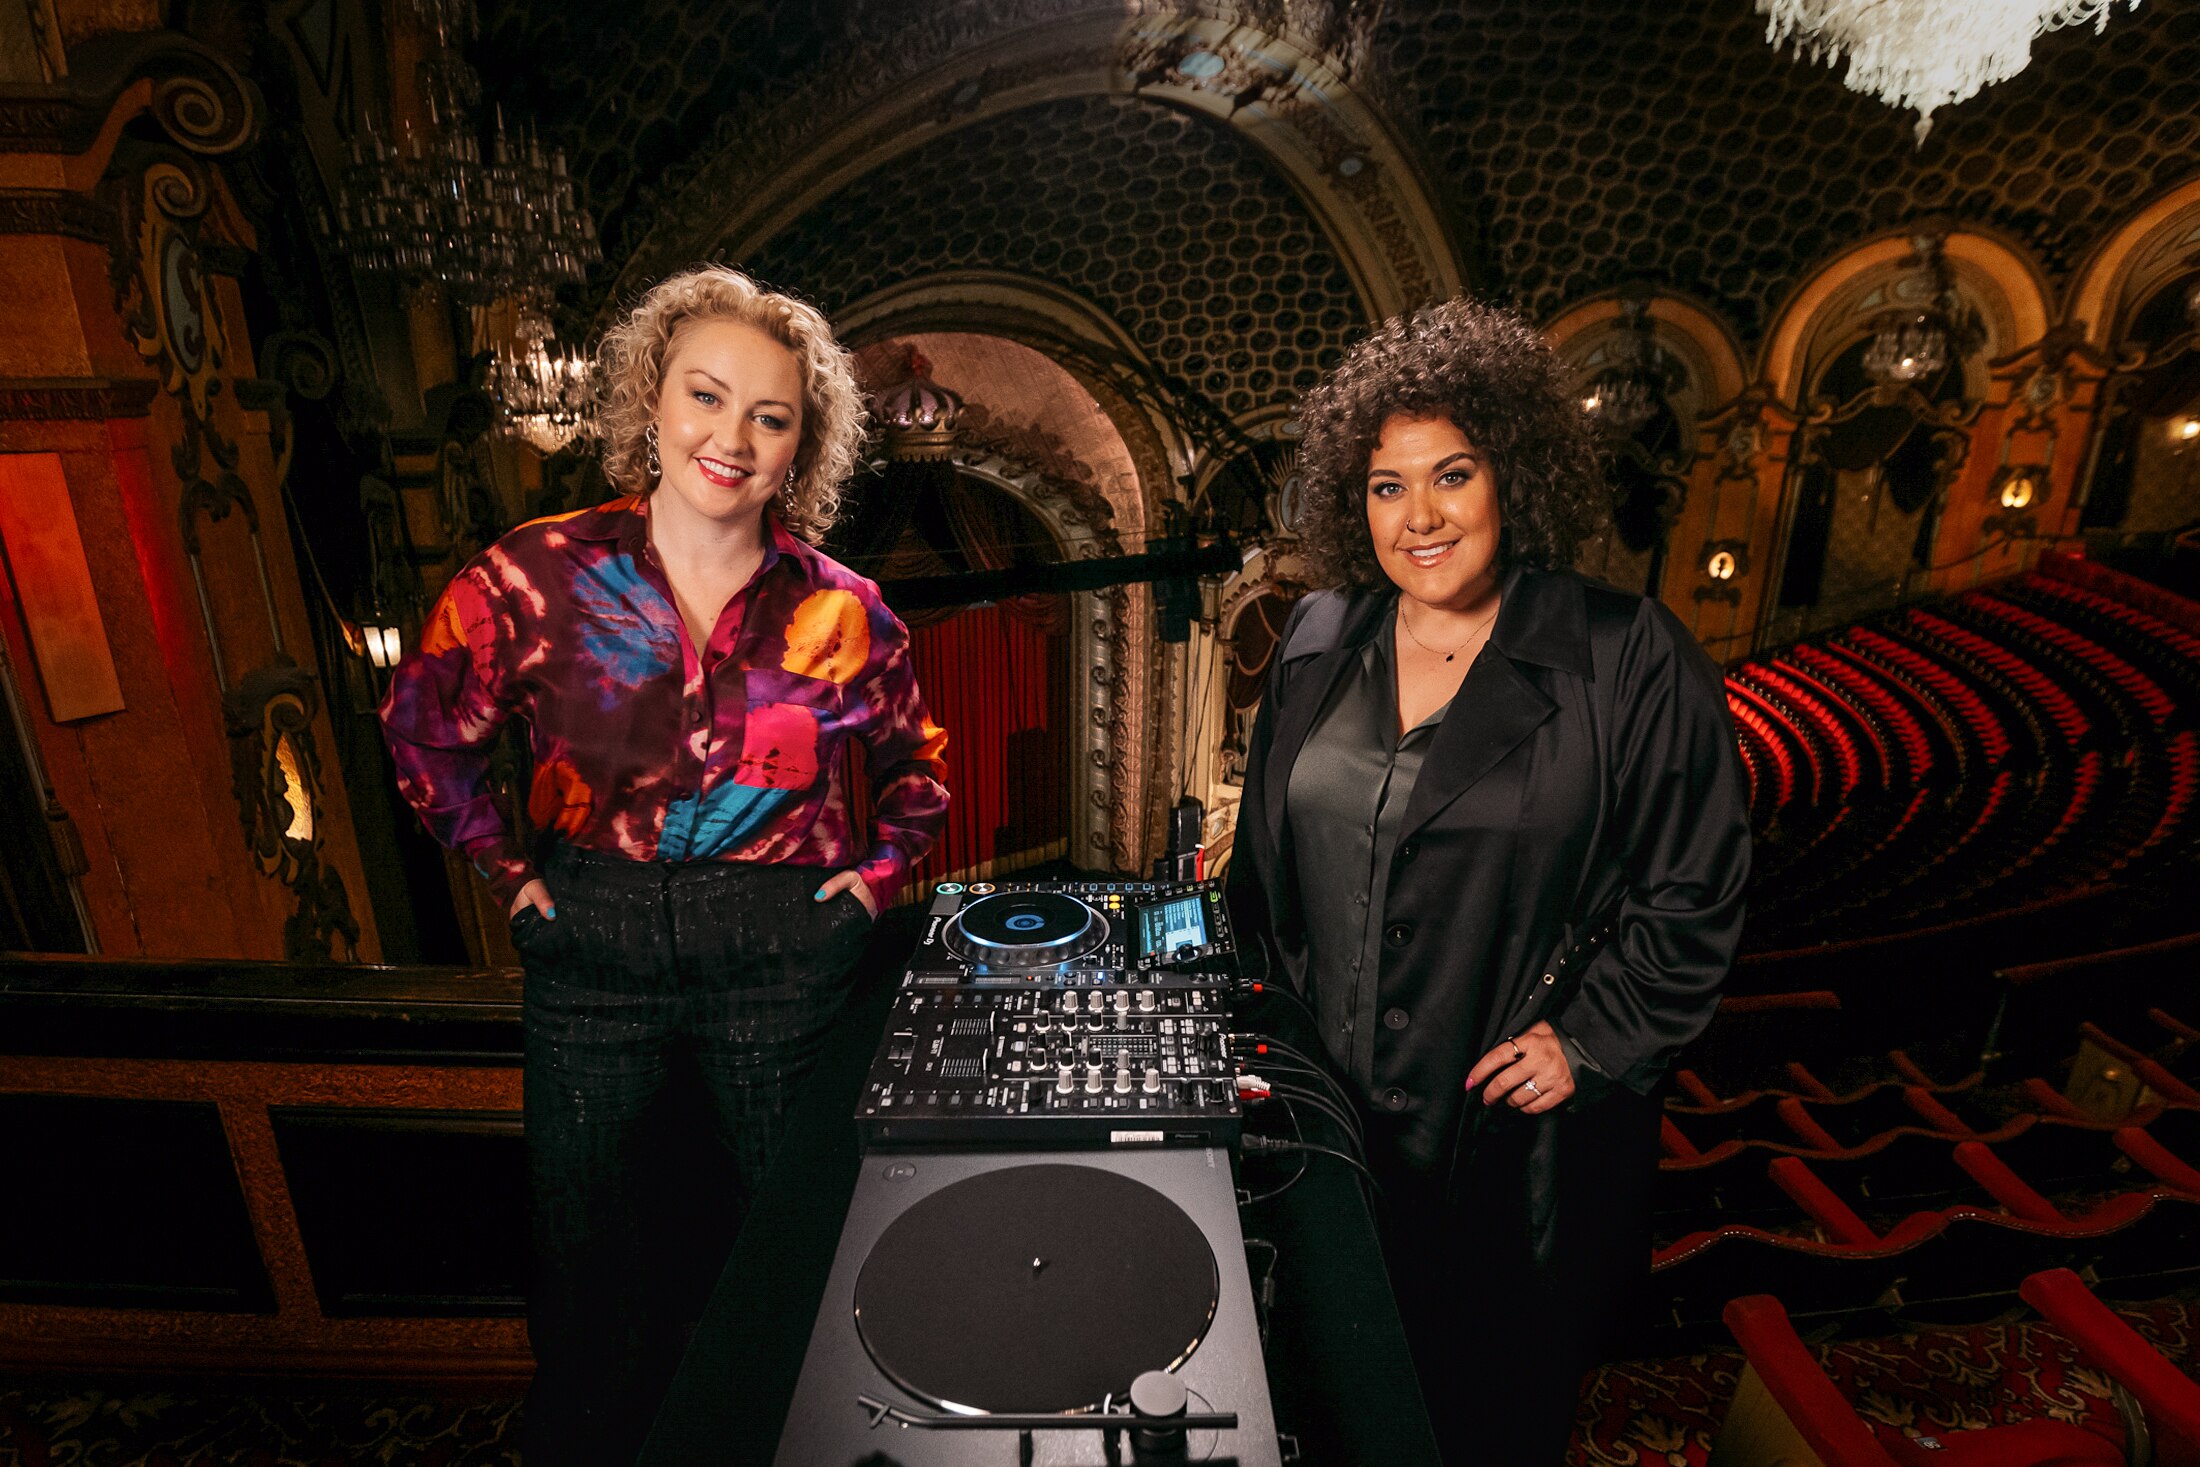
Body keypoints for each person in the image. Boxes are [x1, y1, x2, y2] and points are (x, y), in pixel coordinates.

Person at [379, 265, 948, 1465]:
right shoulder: (527, 578)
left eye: (771, 416)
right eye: (705, 395)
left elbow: (919, 767)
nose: (730, 437)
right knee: (584, 1242)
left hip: (785, 952)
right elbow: (424, 726)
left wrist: (874, 881)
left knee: (784, 1230)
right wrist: (507, 872)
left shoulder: (848, 612)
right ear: (651, 400)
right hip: (591, 944)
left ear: (804, 447)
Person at [1225, 297, 1750, 1463]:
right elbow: (1261, 880)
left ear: (1511, 475)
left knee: (1482, 1420)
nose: (1419, 516)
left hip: (1508, 1155)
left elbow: (1695, 885)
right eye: (1385, 485)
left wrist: (1596, 1037)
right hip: (1324, 1127)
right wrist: (1262, 1040)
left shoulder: (1628, 654)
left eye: (1450, 474)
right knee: (1325, 1400)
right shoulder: (1314, 635)